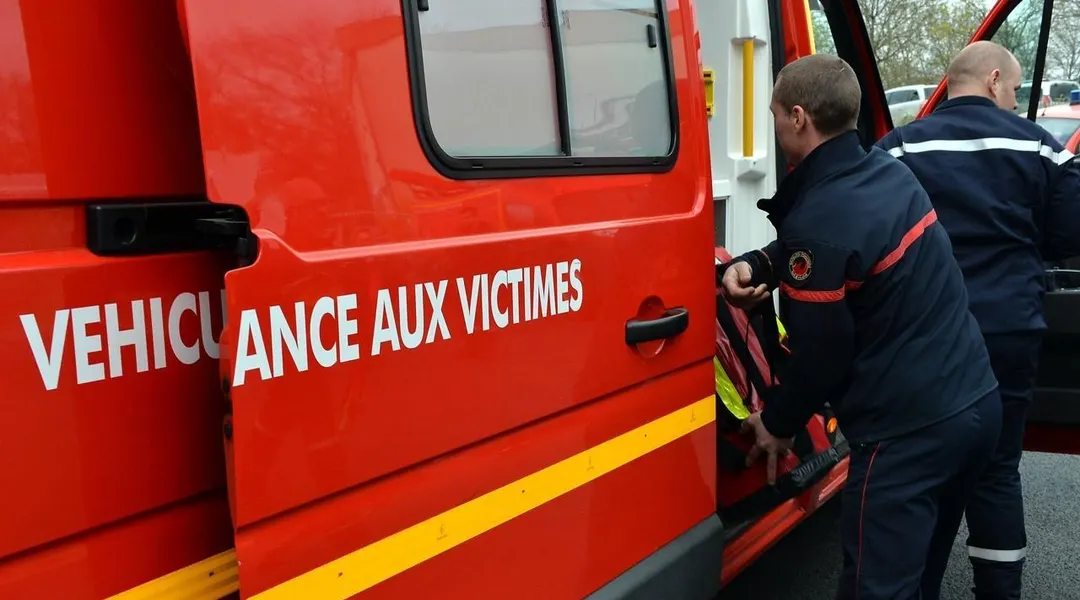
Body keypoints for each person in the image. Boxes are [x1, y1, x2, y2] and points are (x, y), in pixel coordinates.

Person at [721, 53, 1002, 600]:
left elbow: (821, 357)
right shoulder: (884, 171)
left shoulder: (821, 218)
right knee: (918, 581)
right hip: (973, 407)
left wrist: (776, 423)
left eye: (776, 113)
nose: (775, 125)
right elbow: (838, 249)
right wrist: (761, 263)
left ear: (799, 118)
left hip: (908, 435)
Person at [874, 41, 1080, 600]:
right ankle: (999, 590)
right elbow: (1069, 234)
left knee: (922, 465)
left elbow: (870, 231)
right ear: (993, 80)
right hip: (1010, 328)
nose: (1014, 100)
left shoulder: (898, 148)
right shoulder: (1040, 147)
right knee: (996, 468)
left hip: (926, 335)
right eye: (1014, 89)